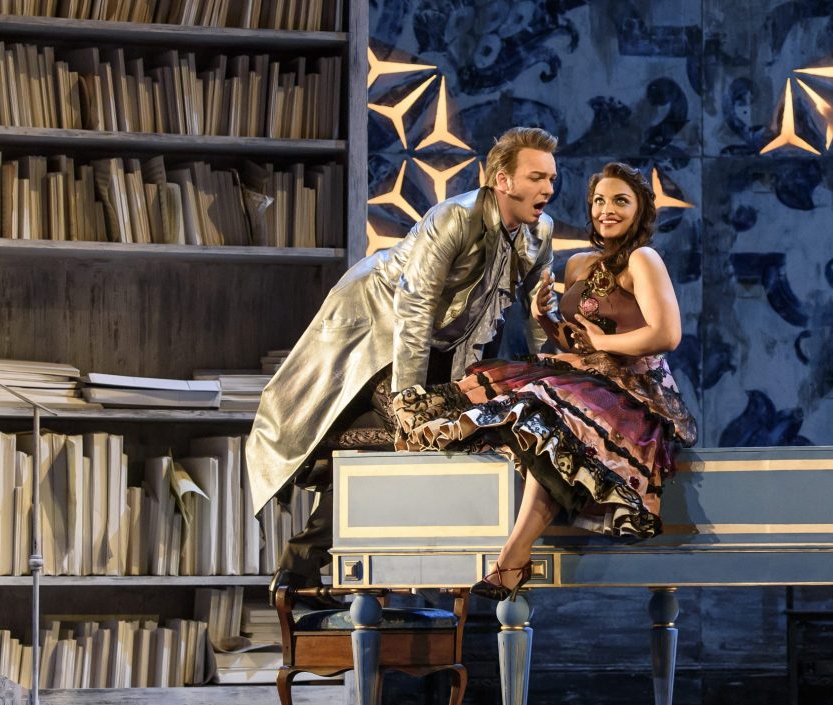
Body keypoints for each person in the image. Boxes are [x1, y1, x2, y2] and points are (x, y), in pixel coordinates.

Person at [247, 127, 560, 586]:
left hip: (445, 345)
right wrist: (410, 399)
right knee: (417, 433)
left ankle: (309, 550)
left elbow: (537, 309)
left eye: (551, 178)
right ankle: (310, 543)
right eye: (536, 177)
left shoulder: (539, 232)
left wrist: (548, 369)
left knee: (435, 438)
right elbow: (414, 306)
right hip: (378, 328)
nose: (548, 189)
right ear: (502, 180)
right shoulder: (454, 218)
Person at [390, 162, 697, 600]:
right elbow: (576, 342)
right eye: (599, 201)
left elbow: (666, 334)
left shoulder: (642, 259)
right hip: (587, 380)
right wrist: (545, 318)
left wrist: (603, 344)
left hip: (632, 393)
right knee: (520, 409)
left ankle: (513, 556)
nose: (606, 210)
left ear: (641, 209)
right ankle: (449, 541)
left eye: (620, 201)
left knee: (545, 409)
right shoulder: (580, 264)